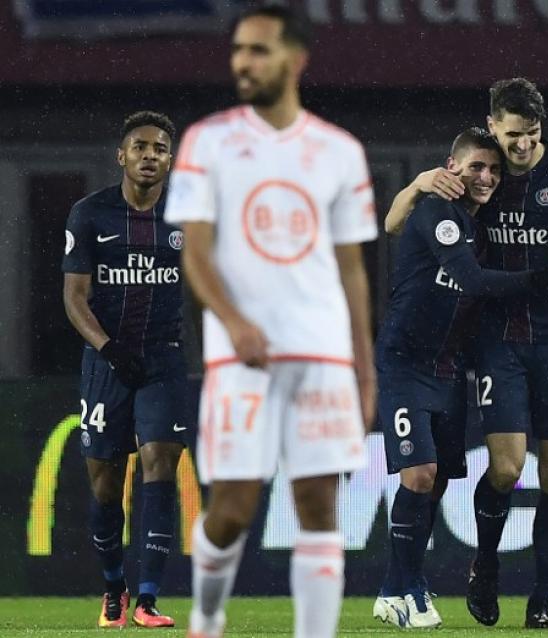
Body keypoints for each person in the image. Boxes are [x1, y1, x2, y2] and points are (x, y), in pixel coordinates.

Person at [163, 5, 377, 638]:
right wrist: (233, 322)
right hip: (241, 357)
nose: (242, 63)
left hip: (322, 355)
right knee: (231, 508)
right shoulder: (209, 140)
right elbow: (195, 252)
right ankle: (207, 614)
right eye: (238, 50)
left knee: (318, 506)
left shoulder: (340, 152)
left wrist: (364, 370)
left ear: (295, 59)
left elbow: (353, 271)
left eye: (257, 50)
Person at [387, 77, 548, 629]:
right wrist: (422, 181)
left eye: (531, 135)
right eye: (512, 134)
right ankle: (486, 563)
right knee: (507, 466)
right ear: (493, 125)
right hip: (499, 341)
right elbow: (395, 222)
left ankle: (541, 598)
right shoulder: (477, 175)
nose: (520, 147)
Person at [373, 127, 548, 629]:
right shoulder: (436, 211)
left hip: (449, 368)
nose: (487, 177)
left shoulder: (480, 224)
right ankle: (410, 589)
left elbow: (393, 224)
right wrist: (543, 278)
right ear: (451, 166)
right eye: (476, 166)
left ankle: (394, 588)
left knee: (435, 485)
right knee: (420, 474)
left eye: (494, 170)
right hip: (405, 361)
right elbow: (472, 281)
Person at [62, 110, 185, 629]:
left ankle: (149, 600)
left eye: (159, 148)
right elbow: (73, 297)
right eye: (140, 147)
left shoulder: (187, 216)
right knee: (106, 486)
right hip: (107, 361)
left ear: (170, 159)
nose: (149, 155)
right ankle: (115, 585)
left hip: (164, 357)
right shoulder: (90, 214)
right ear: (122, 155)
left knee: (159, 461)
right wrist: (109, 348)